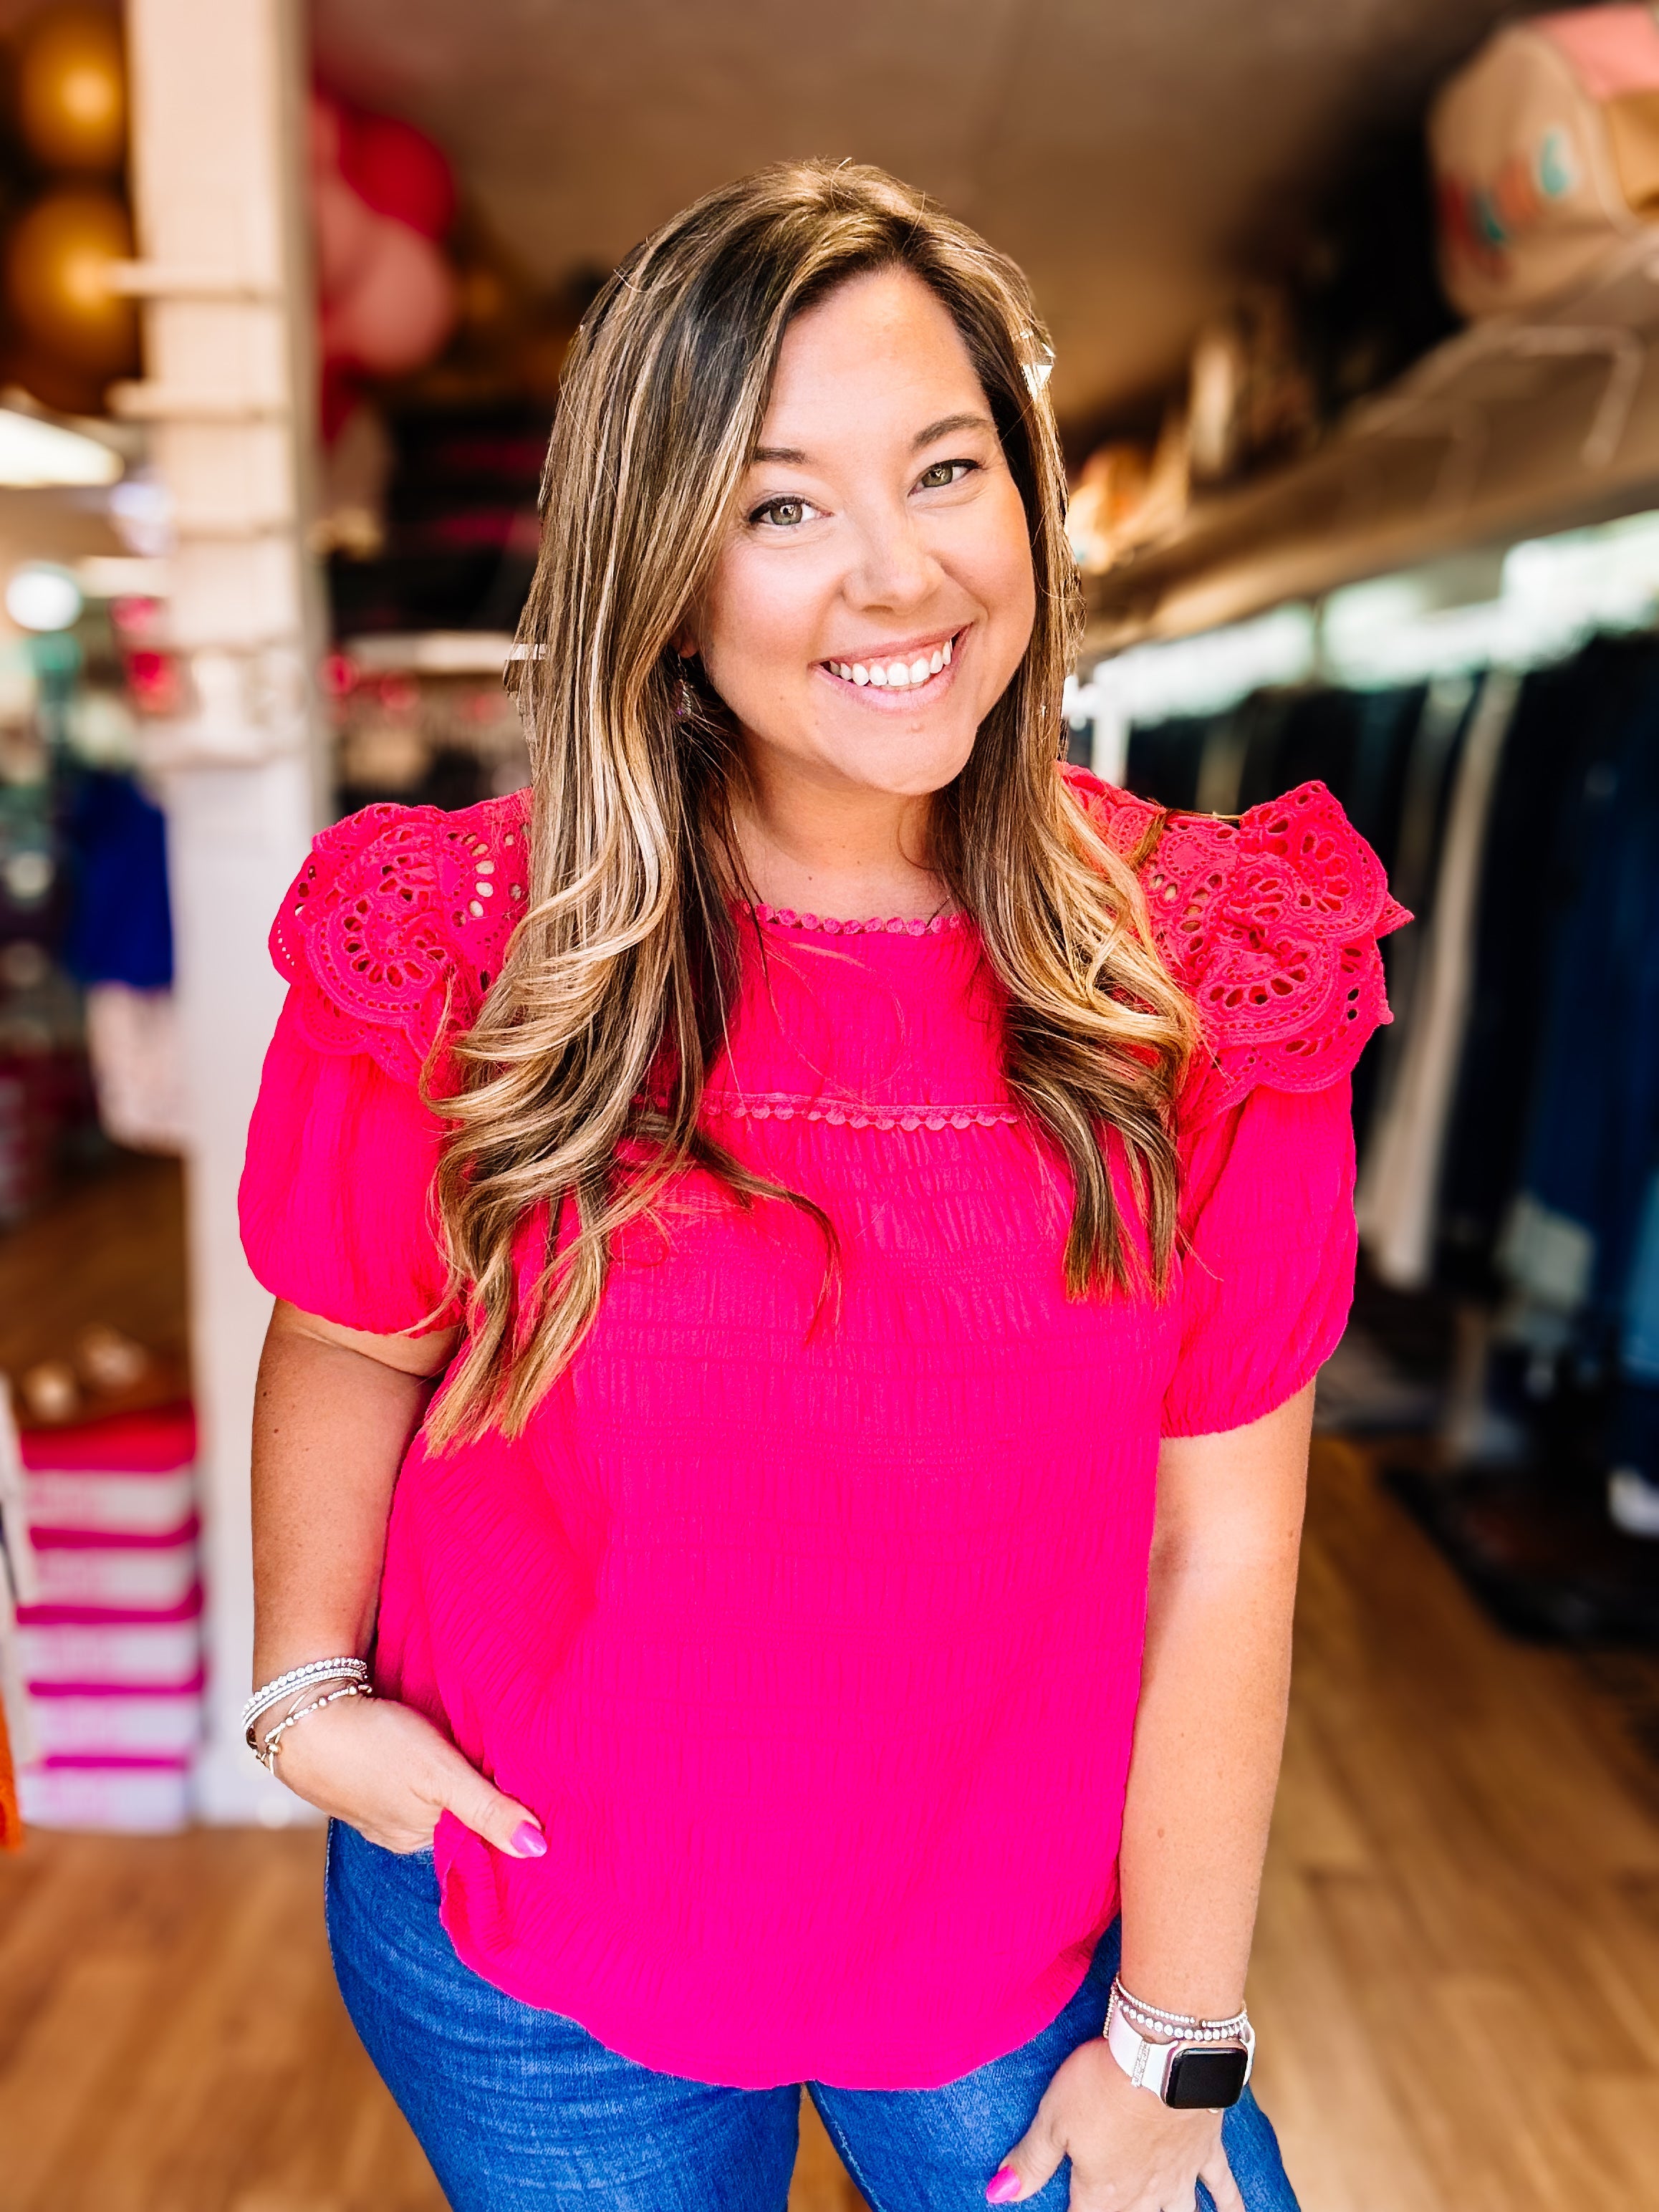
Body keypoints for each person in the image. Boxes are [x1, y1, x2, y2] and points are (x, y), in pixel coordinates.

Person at [239, 162, 1404, 2212]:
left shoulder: (1209, 958)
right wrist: (302, 1684)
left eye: (946, 470)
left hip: (1023, 1964)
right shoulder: (474, 932)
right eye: (783, 505)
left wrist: (1176, 2041)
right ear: (664, 569)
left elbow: (1219, 1554)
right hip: (532, 1946)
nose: (898, 576)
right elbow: (347, 1333)